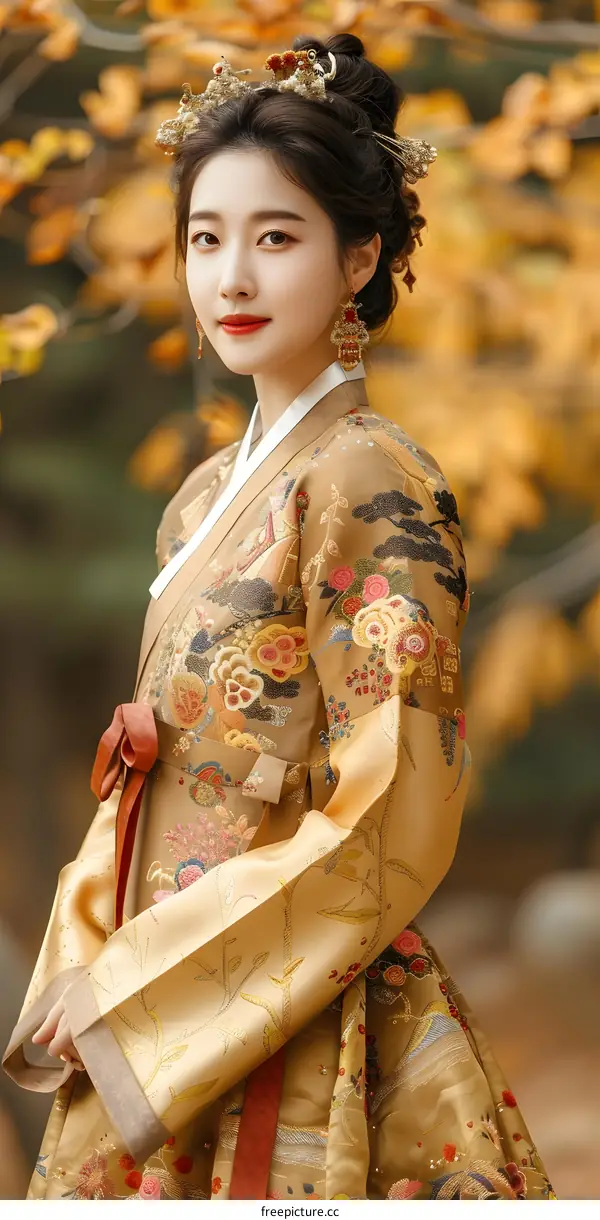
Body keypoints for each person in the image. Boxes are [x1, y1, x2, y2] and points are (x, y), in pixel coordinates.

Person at [2, 33, 555, 1202]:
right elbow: (141, 774)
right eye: (207, 238)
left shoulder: (373, 480)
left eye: (276, 236)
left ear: (359, 258)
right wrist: (85, 951)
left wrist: (138, 975)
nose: (232, 279)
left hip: (288, 993)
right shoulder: (204, 494)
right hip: (152, 987)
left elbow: (390, 799)